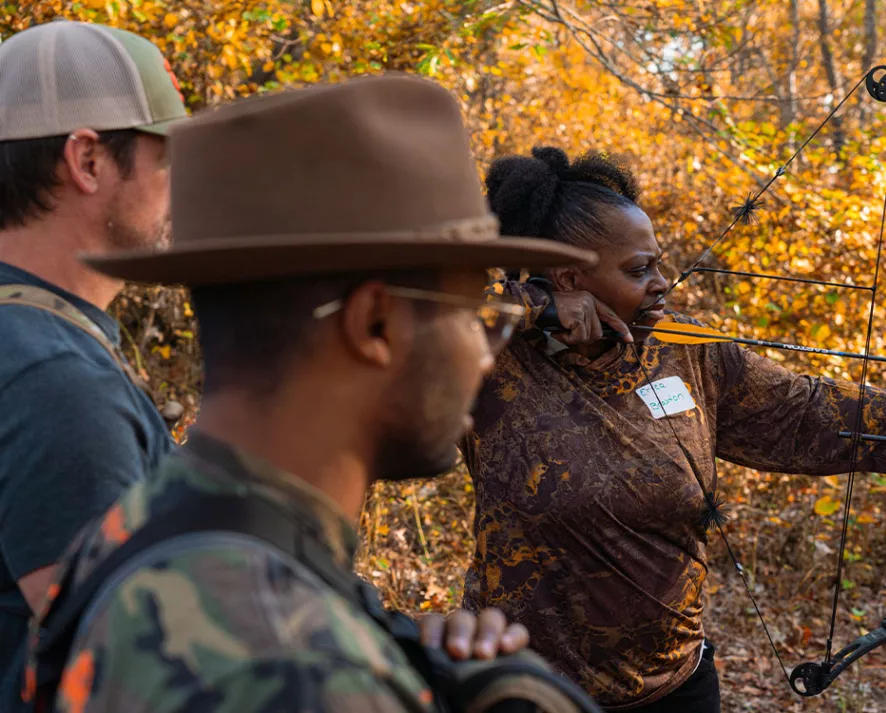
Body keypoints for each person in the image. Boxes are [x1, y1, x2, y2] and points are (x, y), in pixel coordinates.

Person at [24, 77, 599, 713]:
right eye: (476, 316)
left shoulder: (153, 519)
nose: (487, 352)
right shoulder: (293, 664)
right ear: (375, 324)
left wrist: (398, 652)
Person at [459, 146, 886, 712]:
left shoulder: (690, 354)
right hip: (525, 691)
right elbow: (392, 300)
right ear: (570, 279)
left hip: (675, 689)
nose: (661, 285)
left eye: (661, 265)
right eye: (638, 270)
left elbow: (815, 415)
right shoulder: (489, 359)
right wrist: (531, 303)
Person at [0, 19, 189, 709]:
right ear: (87, 160)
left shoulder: (30, 341)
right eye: (166, 155)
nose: (180, 184)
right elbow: (129, 671)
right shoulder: (55, 380)